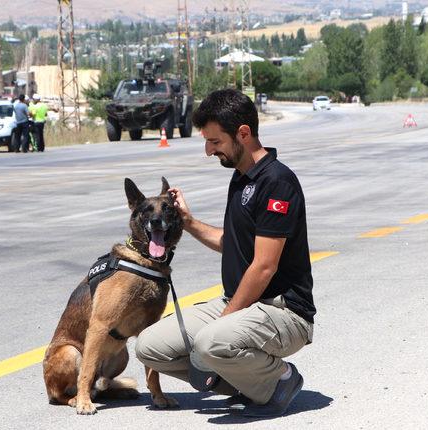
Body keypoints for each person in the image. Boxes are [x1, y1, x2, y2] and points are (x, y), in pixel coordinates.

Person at [135, 89, 315, 417]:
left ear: (243, 134)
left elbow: (264, 266)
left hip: (284, 312)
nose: (208, 151)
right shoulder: (241, 178)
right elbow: (228, 243)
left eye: (215, 142)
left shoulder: (277, 183)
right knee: (149, 347)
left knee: (210, 343)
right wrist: (187, 222)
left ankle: (280, 379)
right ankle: (246, 383)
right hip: (239, 303)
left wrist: (226, 317)